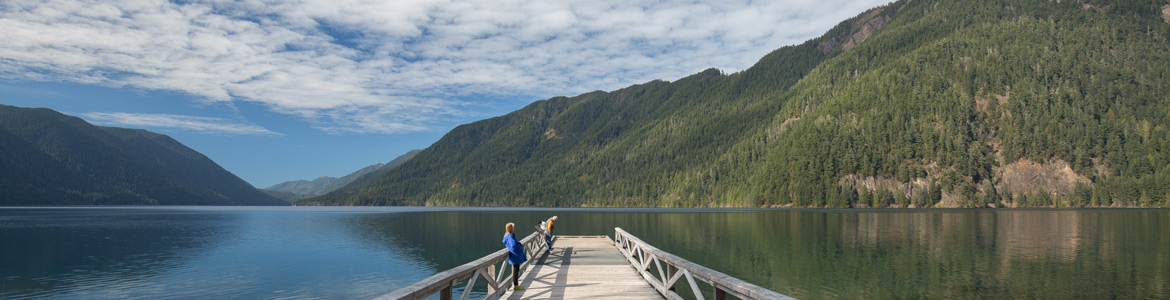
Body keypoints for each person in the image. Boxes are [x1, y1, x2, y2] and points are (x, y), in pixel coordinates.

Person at [502, 223, 527, 291]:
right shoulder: (510, 236)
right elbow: (513, 246)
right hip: (515, 255)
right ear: (511, 228)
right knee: (516, 271)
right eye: (513, 227)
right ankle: (516, 285)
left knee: (516, 270)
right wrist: (519, 247)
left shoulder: (508, 236)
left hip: (514, 256)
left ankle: (516, 285)